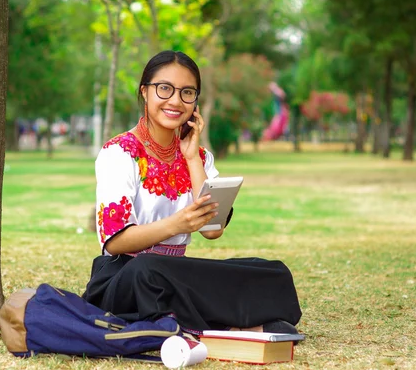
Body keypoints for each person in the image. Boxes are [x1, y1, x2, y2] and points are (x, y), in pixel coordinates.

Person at [82, 50, 302, 336]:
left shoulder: (198, 157)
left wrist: (191, 158)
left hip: (176, 273)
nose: (175, 101)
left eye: (187, 92)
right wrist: (178, 224)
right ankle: (230, 326)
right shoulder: (120, 153)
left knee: (272, 271)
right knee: (149, 270)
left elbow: (212, 230)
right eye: (164, 89)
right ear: (144, 92)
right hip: (126, 277)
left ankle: (191, 322)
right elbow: (115, 243)